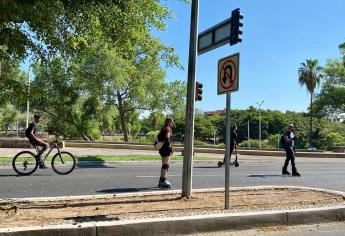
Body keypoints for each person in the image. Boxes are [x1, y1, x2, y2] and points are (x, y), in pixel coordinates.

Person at [157, 117, 174, 189]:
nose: (173, 123)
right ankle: (163, 180)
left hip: (162, 149)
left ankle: (161, 180)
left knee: (164, 165)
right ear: (168, 122)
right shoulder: (168, 129)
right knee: (166, 165)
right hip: (165, 149)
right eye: (172, 122)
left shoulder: (164, 128)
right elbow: (167, 140)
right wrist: (170, 149)